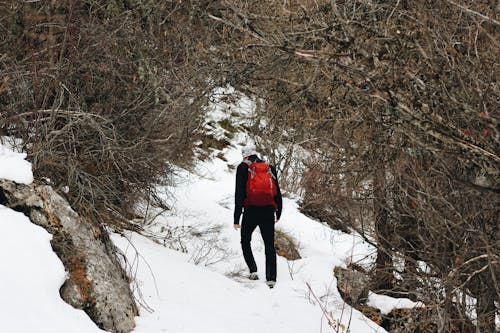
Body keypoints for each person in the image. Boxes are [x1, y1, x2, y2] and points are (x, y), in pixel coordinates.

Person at [233, 145, 282, 288]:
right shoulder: (269, 167)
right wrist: (278, 211)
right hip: (268, 210)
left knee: (245, 240)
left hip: (250, 211)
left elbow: (239, 194)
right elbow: (277, 191)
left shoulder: (243, 167)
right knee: (269, 245)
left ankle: (253, 270)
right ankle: (271, 278)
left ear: (245, 156)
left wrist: (237, 219)